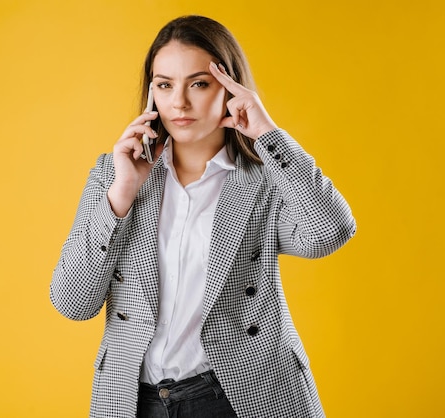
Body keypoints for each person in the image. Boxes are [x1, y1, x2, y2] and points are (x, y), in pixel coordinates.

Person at [50, 15, 356, 418]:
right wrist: (122, 195)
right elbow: (73, 302)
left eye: (198, 83)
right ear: (151, 93)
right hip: (133, 402)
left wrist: (267, 135)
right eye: (164, 85)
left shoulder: (265, 181)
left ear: (230, 88)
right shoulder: (113, 175)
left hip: (242, 396)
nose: (178, 102)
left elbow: (330, 232)